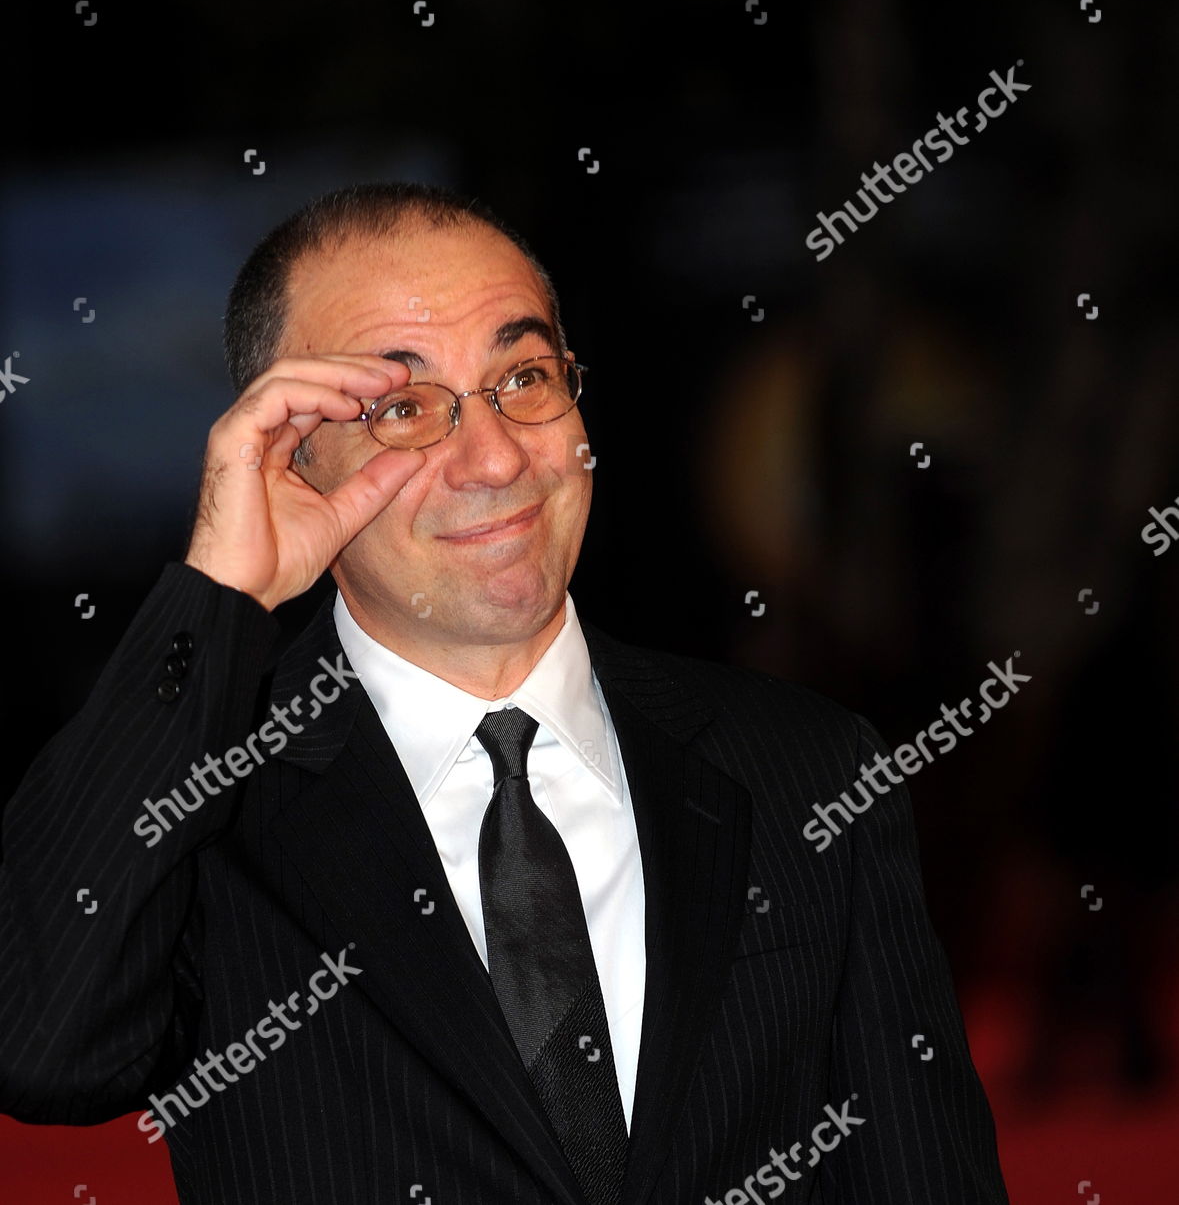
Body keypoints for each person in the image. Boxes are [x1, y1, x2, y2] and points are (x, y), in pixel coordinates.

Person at [0, 182, 1008, 1204]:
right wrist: (217, 597)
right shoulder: (212, 803)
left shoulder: (806, 769)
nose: (493, 457)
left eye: (523, 376)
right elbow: (46, 1050)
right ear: (290, 461)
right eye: (402, 409)